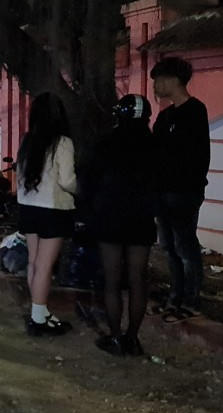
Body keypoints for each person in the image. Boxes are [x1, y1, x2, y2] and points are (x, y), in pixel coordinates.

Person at [81, 94, 158, 356]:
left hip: (110, 219)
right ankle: (133, 339)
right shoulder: (154, 146)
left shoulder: (106, 144)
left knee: (112, 280)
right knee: (138, 279)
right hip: (142, 220)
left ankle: (115, 338)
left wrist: (90, 211)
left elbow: (88, 181)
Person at [150, 56, 210, 322]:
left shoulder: (195, 111)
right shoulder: (165, 116)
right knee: (168, 247)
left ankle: (191, 301)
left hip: (184, 192)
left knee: (185, 247)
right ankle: (174, 298)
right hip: (162, 192)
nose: (155, 86)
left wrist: (192, 188)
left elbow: (198, 156)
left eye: (159, 80)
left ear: (174, 80)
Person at [17, 93, 77, 337]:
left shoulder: (27, 141)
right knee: (44, 266)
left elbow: (20, 176)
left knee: (33, 262)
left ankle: (39, 312)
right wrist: (81, 190)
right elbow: (67, 181)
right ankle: (38, 319)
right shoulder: (62, 143)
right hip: (53, 210)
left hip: (28, 208)